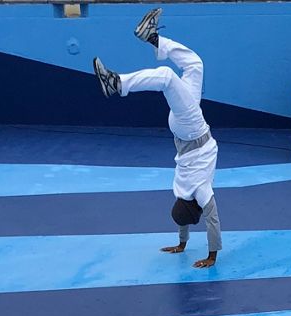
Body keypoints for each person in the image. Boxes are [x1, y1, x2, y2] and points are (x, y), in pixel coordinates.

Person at [94, 8, 221, 268]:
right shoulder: (184, 188)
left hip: (192, 129)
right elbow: (190, 219)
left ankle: (118, 84)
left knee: (166, 77)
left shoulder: (198, 191)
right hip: (187, 128)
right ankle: (154, 39)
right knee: (195, 65)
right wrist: (183, 244)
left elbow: (210, 220)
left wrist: (211, 255)